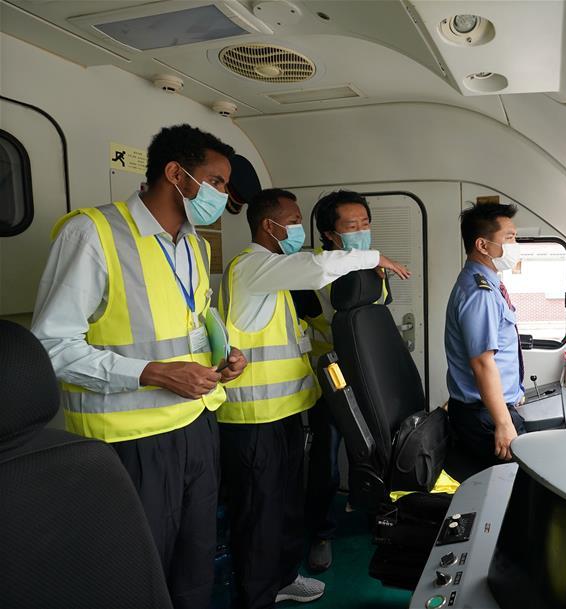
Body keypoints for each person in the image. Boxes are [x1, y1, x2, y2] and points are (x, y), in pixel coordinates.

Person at [31, 124, 248, 609]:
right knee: (136, 566)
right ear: (176, 174)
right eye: (216, 181)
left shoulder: (195, 244)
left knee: (195, 561)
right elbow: (50, 345)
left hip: (197, 424)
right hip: (130, 441)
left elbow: (196, 318)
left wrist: (225, 354)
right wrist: (152, 372)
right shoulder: (93, 232)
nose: (223, 195)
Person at [217, 188, 409, 608]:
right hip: (253, 417)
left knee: (283, 504)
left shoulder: (276, 270)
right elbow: (319, 267)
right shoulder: (253, 266)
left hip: (284, 410)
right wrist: (373, 257)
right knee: (260, 511)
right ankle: (257, 595)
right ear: (269, 225)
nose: (296, 229)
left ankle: (284, 578)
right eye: (291, 220)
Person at [299, 190, 393, 573]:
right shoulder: (310, 272)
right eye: (351, 225)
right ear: (330, 234)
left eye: (365, 223)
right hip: (330, 376)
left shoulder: (372, 265)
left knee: (374, 451)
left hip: (367, 372)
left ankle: (373, 512)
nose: (361, 231)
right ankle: (321, 532)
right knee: (326, 458)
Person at [444, 202, 527, 471]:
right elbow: (482, 363)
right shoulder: (479, 292)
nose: (515, 245)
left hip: (488, 409)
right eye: (509, 238)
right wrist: (503, 423)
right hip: (485, 417)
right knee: (510, 487)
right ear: (482, 245)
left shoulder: (489, 283)